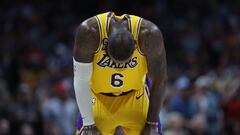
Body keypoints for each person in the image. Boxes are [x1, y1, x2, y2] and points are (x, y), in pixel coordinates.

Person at [73, 12, 167, 135]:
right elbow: (81, 80)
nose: (119, 67)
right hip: (99, 99)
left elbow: (160, 79)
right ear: (105, 45)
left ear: (135, 44)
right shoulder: (89, 32)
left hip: (136, 98)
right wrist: (88, 124)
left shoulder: (149, 34)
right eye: (115, 62)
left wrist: (152, 123)